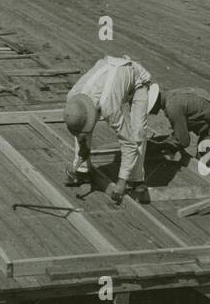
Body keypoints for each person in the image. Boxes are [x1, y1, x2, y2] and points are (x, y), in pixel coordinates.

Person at [63, 55, 159, 204]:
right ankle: (81, 170)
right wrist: (83, 146)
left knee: (137, 133)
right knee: (82, 128)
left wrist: (121, 182)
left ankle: (136, 179)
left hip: (138, 81)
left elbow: (128, 143)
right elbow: (79, 127)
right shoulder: (73, 98)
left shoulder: (109, 107)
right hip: (110, 73)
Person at [149, 87, 210, 169]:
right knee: (205, 165)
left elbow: (183, 141)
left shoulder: (172, 107)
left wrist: (160, 146)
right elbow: (188, 121)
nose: (150, 113)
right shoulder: (173, 94)